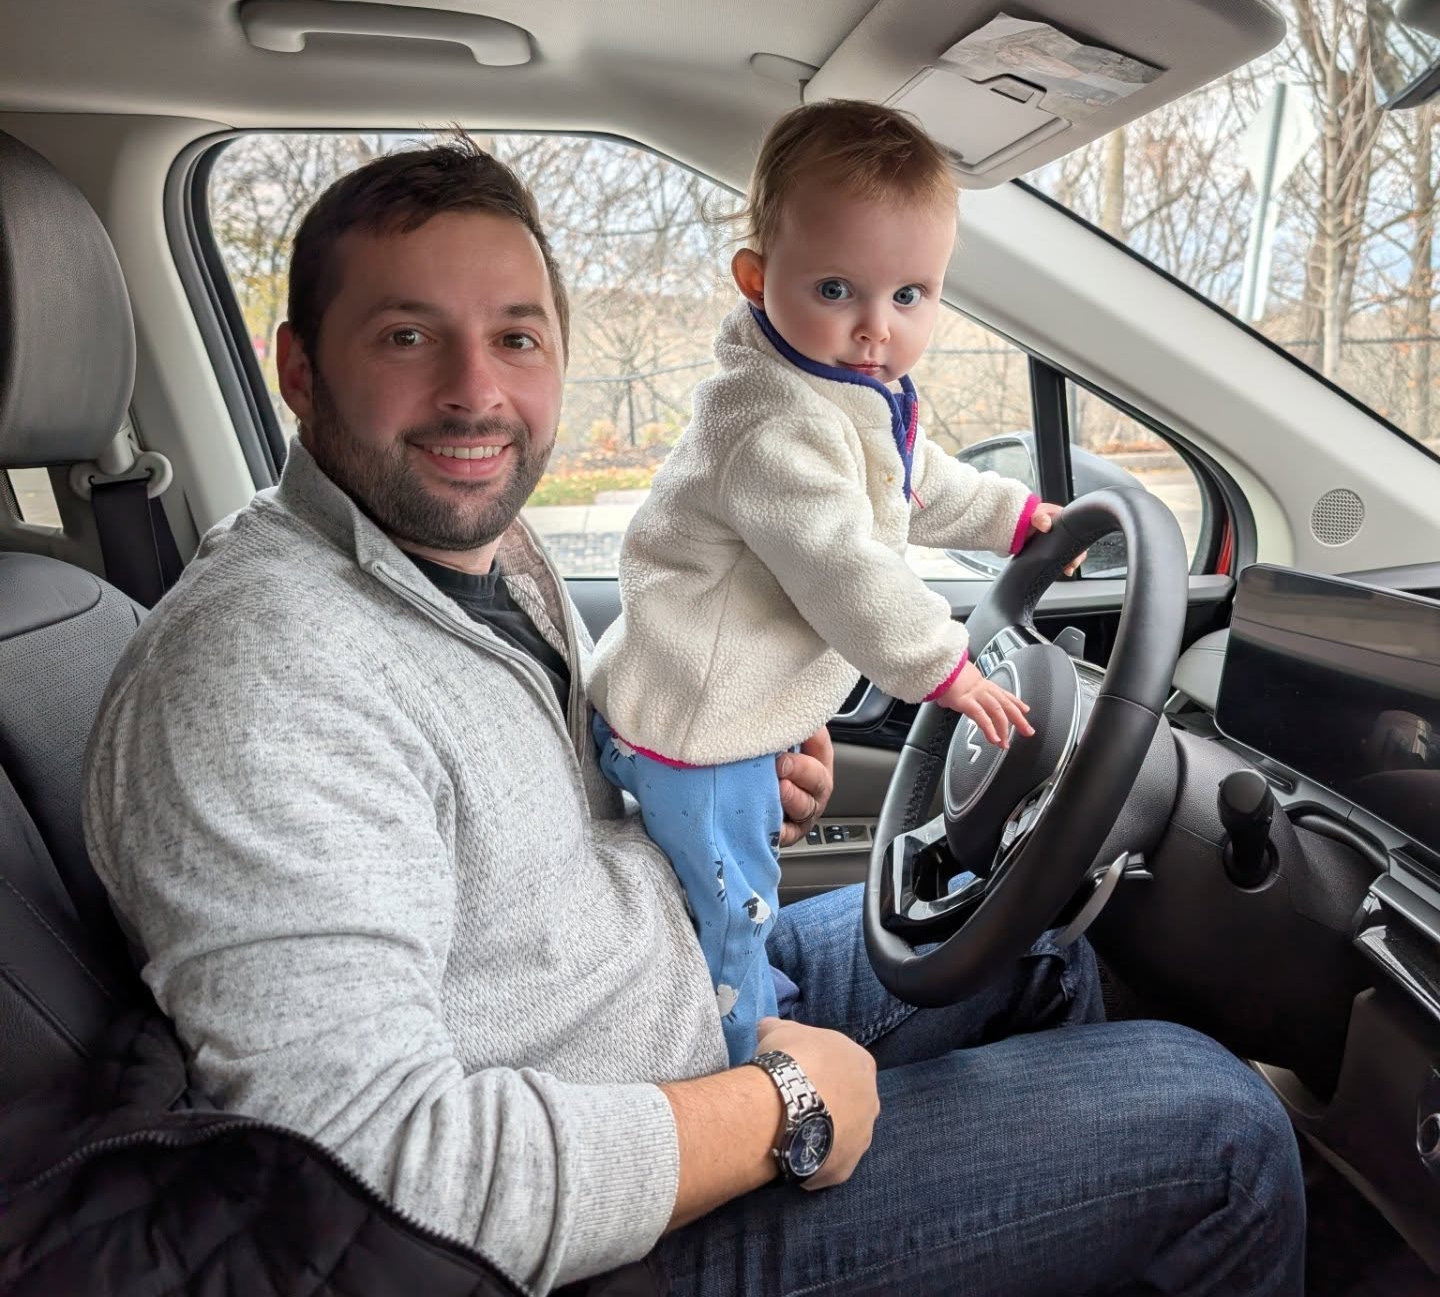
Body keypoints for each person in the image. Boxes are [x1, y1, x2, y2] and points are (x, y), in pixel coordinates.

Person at [83, 133, 1306, 1297]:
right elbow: (367, 1179)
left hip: (669, 1006)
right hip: (609, 1245)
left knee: (1037, 949)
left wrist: (714, 765)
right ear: (299, 368)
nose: (476, 393)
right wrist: (779, 1110)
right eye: (409, 336)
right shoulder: (258, 679)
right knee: (1219, 1123)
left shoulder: (477, 558)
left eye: (516, 337)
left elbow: (520, 829)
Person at [590, 100, 1068, 1065]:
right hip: (695, 728)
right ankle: (739, 1051)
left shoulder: (839, 392)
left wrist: (1013, 518)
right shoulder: (770, 424)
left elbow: (914, 479)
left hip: (704, 700)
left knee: (731, 880)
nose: (873, 328)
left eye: (910, 296)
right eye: (840, 287)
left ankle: (746, 989)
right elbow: (844, 568)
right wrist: (949, 668)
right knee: (732, 897)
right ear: (757, 281)